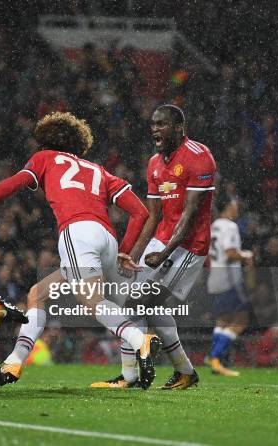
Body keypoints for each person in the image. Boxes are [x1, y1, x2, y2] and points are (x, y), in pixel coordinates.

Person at [0, 111, 161, 389]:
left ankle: (142, 341)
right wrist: (124, 250)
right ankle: (17, 360)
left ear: (46, 141)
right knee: (38, 293)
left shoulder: (45, 158)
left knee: (93, 303)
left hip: (77, 234)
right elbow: (140, 213)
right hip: (107, 237)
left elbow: (11, 184)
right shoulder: (99, 170)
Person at [91, 104, 216, 390]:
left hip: (189, 246)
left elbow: (191, 213)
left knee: (138, 303)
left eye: (161, 124)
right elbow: (153, 215)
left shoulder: (200, 157)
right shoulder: (154, 164)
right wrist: (132, 255)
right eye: (153, 124)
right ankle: (185, 372)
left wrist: (166, 252)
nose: (155, 129)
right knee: (136, 301)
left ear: (179, 127)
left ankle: (130, 377)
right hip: (162, 239)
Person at [206, 194, 253, 376]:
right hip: (229, 278)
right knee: (241, 320)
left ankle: (216, 359)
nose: (237, 207)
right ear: (228, 207)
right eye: (235, 204)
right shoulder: (230, 226)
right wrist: (246, 256)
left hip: (215, 277)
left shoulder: (215, 225)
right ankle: (216, 357)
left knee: (222, 320)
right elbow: (230, 252)